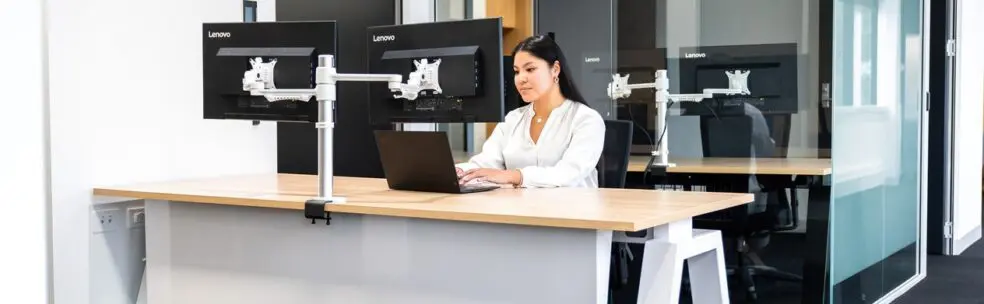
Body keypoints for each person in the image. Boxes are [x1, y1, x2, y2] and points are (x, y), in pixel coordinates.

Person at [455, 35, 605, 188]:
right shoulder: (512, 119)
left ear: (555, 69)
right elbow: (486, 162)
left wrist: (514, 176)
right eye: (517, 71)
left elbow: (568, 173)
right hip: (522, 209)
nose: (521, 79)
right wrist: (459, 171)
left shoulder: (586, 119)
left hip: (572, 209)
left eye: (530, 69)